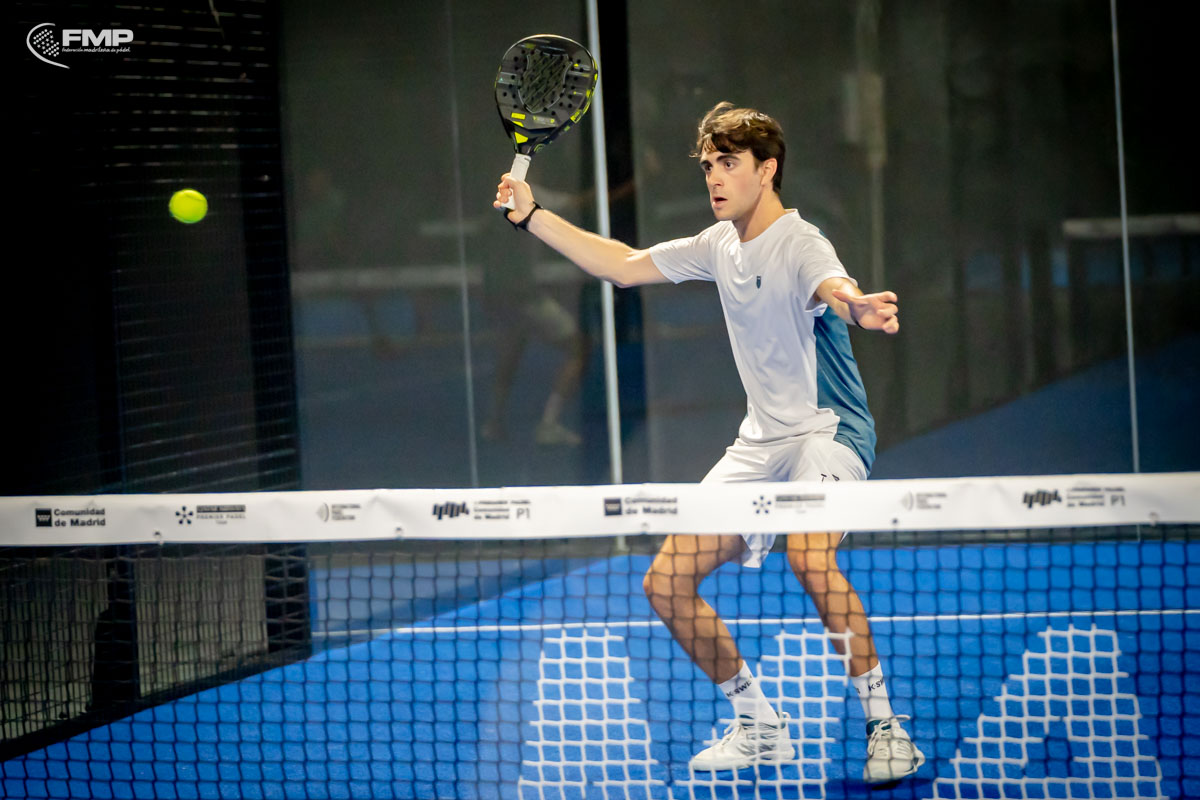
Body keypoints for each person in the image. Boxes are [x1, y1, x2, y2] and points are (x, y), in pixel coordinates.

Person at [493, 101, 924, 784]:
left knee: (809, 557)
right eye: (708, 167)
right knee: (666, 582)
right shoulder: (718, 245)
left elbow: (833, 285)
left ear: (767, 169)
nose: (715, 178)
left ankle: (885, 727)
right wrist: (533, 216)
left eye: (729, 163)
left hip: (827, 432)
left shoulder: (800, 241)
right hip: (760, 444)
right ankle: (759, 725)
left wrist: (857, 306)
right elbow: (624, 265)